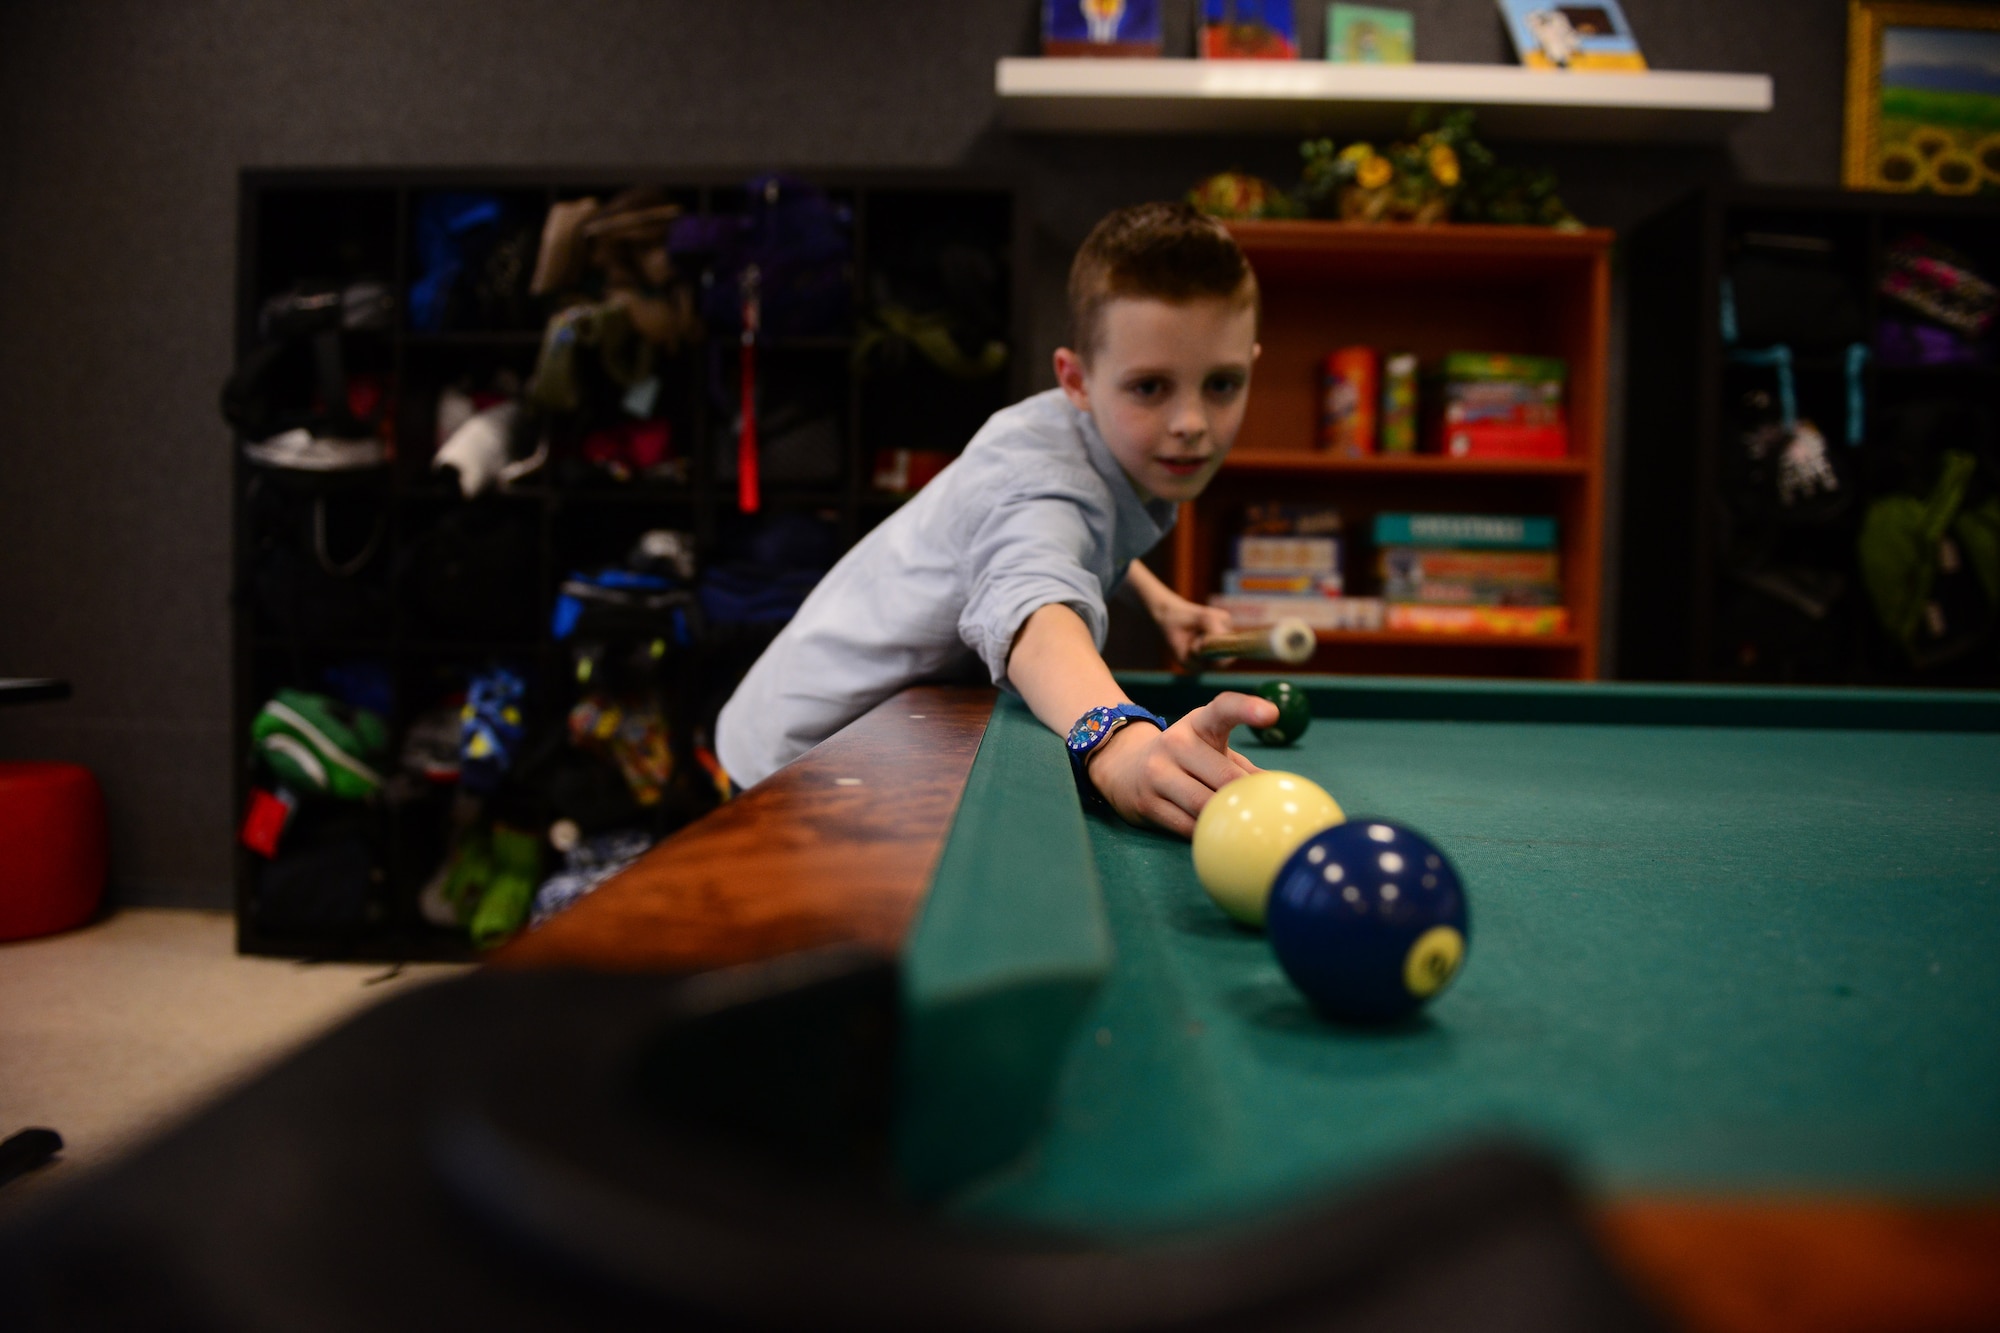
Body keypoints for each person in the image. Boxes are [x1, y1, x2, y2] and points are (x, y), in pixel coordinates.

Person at [715, 201, 1278, 834]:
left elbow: (1080, 545)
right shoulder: (1041, 482)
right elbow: (1033, 604)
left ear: (1251, 364)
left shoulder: (1105, 443)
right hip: (801, 758)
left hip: (878, 732)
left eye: (1222, 384)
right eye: (1150, 387)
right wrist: (1118, 740)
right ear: (1077, 379)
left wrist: (1160, 602)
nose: (1191, 423)